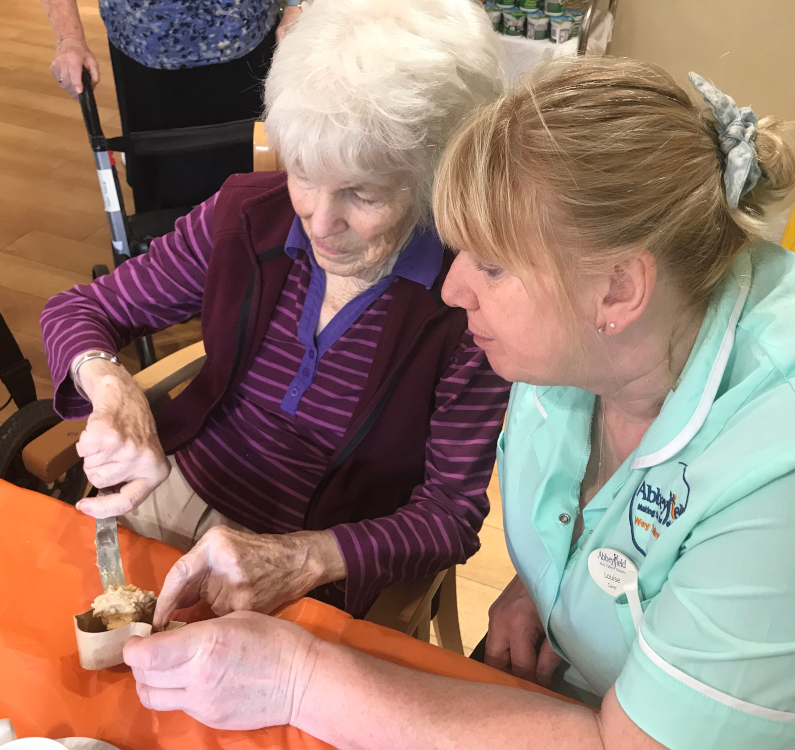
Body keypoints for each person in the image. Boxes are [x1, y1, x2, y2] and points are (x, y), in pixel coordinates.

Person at [122, 58, 795, 750]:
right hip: (586, 692)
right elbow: (610, 510)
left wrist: (300, 679)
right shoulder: (590, 344)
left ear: (618, 288)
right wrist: (549, 584)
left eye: (491, 265)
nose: (450, 287)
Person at [40, 0, 508, 619]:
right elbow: (79, 310)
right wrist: (110, 384)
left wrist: (309, 558)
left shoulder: (467, 302)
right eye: (306, 173)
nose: (319, 219)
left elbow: (449, 514)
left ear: (433, 179)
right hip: (177, 490)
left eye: (362, 193)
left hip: (314, 565)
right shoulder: (247, 216)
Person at [40, 0, 296, 211]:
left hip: (249, 36)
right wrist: (68, 39)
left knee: (253, 186)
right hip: (144, 45)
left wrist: (296, 6)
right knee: (163, 185)